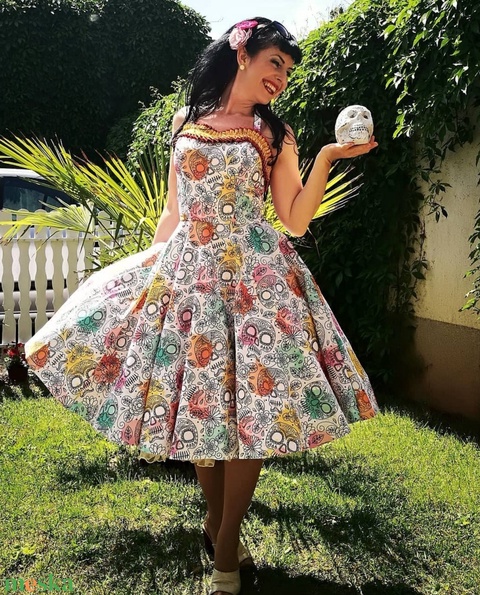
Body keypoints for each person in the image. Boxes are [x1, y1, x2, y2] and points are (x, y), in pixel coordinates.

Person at [25, 17, 379, 595]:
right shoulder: (184, 121)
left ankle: (226, 551)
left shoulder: (275, 134)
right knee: (203, 403)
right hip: (188, 275)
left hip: (256, 283)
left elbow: (294, 219)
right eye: (275, 63)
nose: (281, 77)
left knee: (256, 412)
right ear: (242, 54)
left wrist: (326, 157)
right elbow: (173, 210)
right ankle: (217, 525)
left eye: (288, 71)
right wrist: (150, 269)